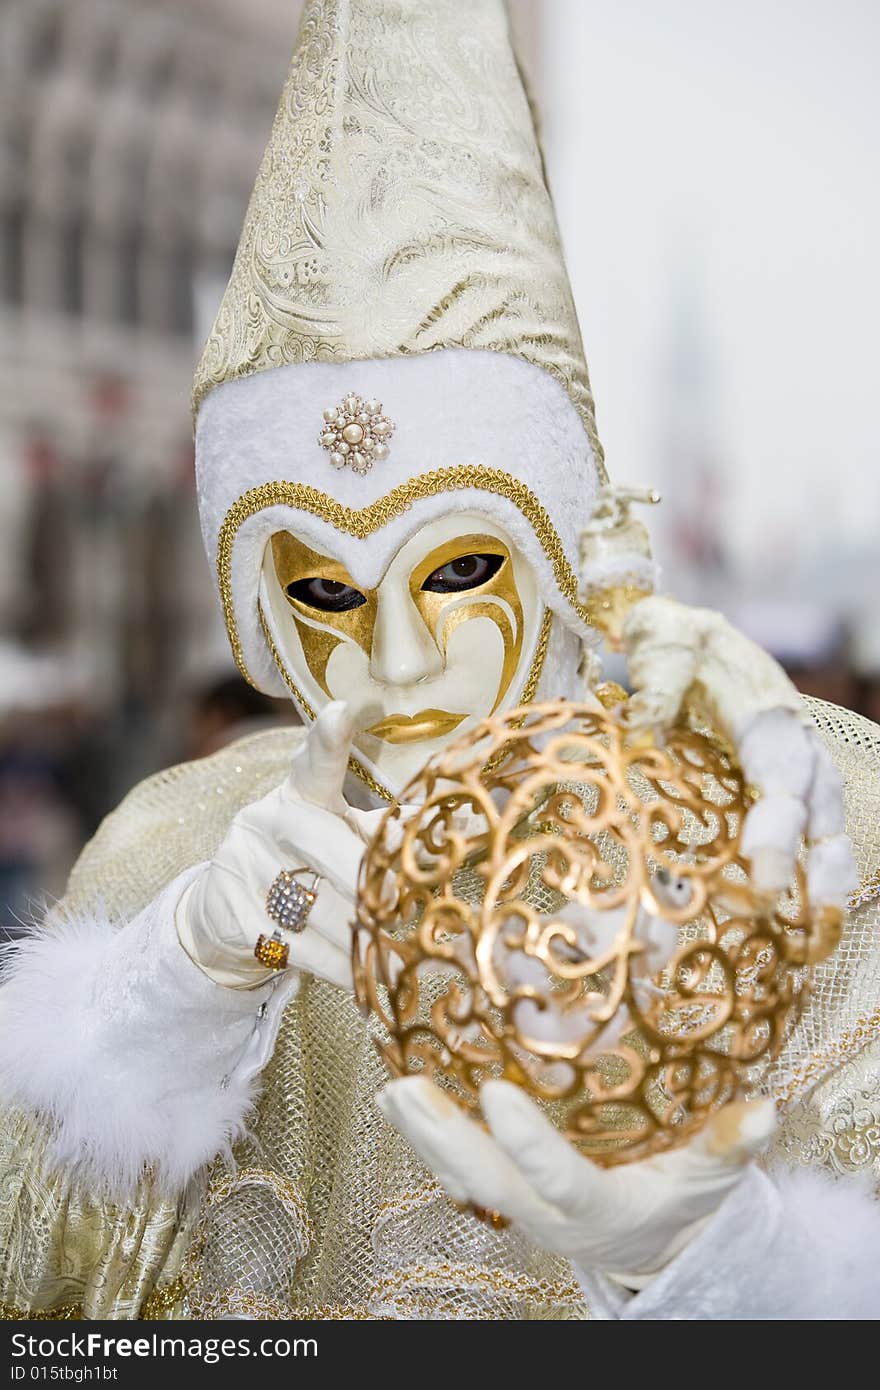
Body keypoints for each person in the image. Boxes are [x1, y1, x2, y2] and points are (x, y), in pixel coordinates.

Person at [1, 0, 878, 1321]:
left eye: (459, 568)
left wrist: (710, 1261)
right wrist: (157, 1009)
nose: (398, 660)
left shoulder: (814, 826)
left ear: (558, 544)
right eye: (324, 589)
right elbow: (40, 1305)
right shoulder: (173, 854)